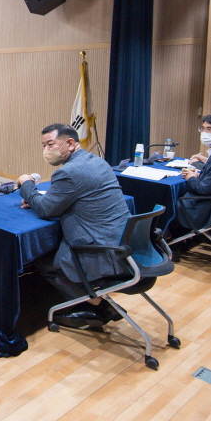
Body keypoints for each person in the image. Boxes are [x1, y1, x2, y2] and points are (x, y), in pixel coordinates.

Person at [15, 123, 131, 330]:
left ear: (69, 143)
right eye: (43, 145)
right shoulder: (97, 161)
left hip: (103, 251)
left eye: (51, 144)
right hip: (122, 242)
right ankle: (94, 303)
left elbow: (45, 210)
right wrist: (39, 201)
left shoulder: (68, 172)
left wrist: (26, 183)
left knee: (44, 262)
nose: (46, 150)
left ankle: (98, 305)